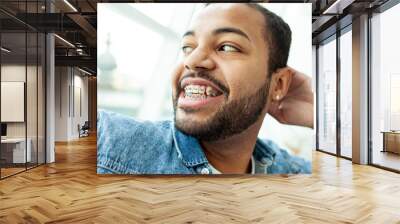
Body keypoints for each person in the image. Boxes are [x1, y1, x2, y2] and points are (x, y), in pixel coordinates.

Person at [97, 3, 313, 174]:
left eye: (227, 46)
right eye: (187, 47)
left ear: (279, 84)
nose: (192, 60)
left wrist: (316, 112)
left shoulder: (292, 171)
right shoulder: (107, 141)